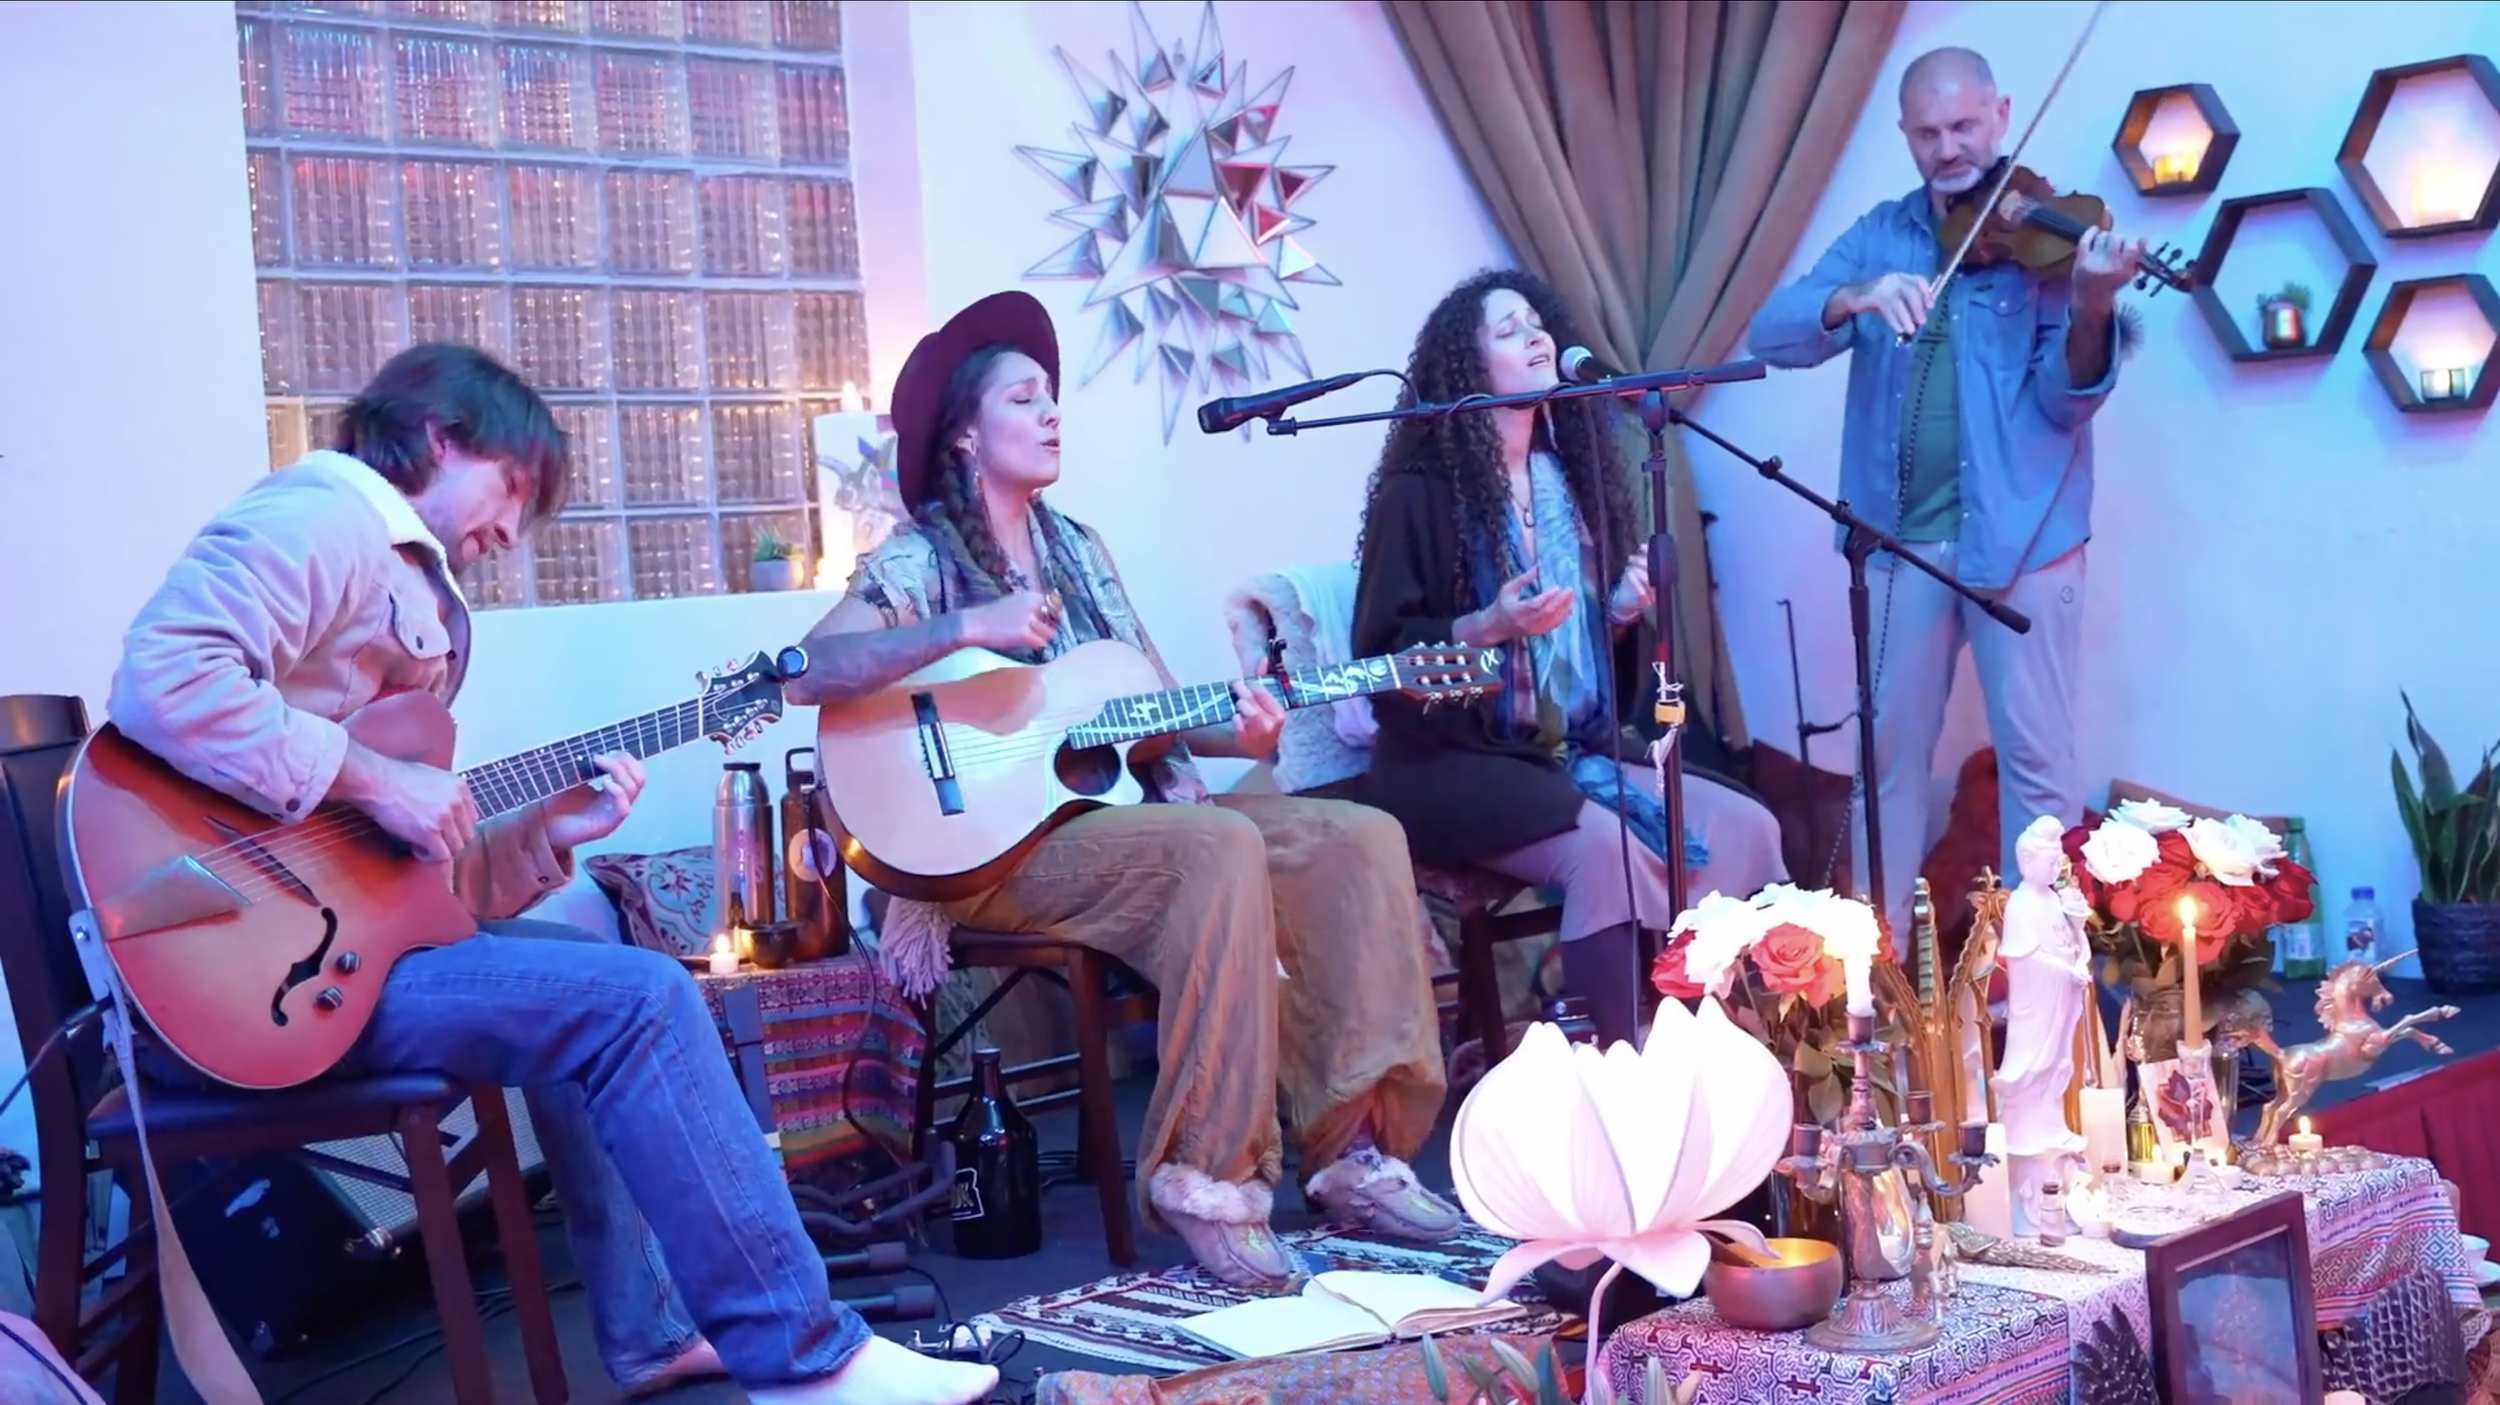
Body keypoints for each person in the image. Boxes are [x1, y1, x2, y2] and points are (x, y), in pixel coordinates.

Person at [104, 345, 996, 1405]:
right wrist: (381, 778)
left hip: (319, 955)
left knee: (589, 979)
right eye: (514, 488)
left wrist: (544, 831)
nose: (510, 533)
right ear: (439, 438)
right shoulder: (324, 514)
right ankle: (808, 1360)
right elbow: (163, 679)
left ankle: (653, 1332)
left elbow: (402, 890)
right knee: (645, 999)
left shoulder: (401, 580)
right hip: (245, 983)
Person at [787, 291, 1461, 1293]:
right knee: (1212, 848)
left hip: (1117, 821)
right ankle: (1211, 1180)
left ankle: (1351, 1151)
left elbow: (1142, 714)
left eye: (1052, 396)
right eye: (1025, 397)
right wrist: (965, 630)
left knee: (1353, 834)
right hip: (990, 856)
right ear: (968, 433)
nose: (1052, 412)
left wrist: (1244, 725)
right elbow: (810, 670)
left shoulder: (1082, 553)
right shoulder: (917, 559)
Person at [1746, 46, 2146, 946]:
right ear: (1905, 135)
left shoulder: (2047, 236)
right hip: (1900, 542)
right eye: (1928, 133)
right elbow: (1771, 331)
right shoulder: (1883, 233)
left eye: (1965, 126)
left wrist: (2088, 303)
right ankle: (1875, 993)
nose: (1949, 148)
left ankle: (2043, 992)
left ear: (2002, 115)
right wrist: (1854, 295)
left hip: (2028, 538)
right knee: (1887, 767)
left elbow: (2064, 399)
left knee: (2037, 773)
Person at [1350, 269, 1794, 1050]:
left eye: (1537, 322)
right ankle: (1623, 1074)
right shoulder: (1419, 495)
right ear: (1466, 367)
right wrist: (1480, 626)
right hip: (1450, 765)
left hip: (1564, 757)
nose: (1536, 336)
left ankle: (1754, 1060)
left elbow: (1583, 675)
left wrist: (1618, 613)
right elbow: (1379, 663)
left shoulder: (1567, 479)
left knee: (1748, 826)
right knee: (1611, 855)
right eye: (1508, 329)